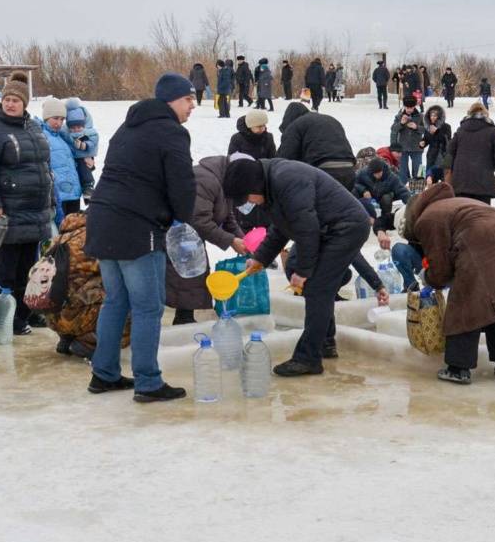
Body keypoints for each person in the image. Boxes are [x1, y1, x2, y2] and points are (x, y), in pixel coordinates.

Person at [84, 73, 196, 403]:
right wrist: (181, 218)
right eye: (187, 99)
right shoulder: (172, 132)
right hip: (136, 227)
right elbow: (182, 183)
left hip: (103, 220)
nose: (192, 106)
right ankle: (147, 381)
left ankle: (104, 374)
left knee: (116, 300)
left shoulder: (128, 126)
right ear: (171, 100)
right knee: (148, 307)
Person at [226, 157, 381, 376]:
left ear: (254, 186)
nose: (249, 202)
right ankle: (325, 342)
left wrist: (302, 272)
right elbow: (281, 229)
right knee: (319, 288)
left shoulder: (287, 180)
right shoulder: (272, 184)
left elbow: (307, 228)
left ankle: (308, 358)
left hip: (346, 228)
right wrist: (260, 257)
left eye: (247, 197)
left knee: (317, 287)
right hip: (329, 228)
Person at [403, 183, 495, 385]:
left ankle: (458, 368)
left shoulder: (427, 219)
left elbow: (441, 268)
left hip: (485, 241)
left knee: (465, 304)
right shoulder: (452, 203)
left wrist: (427, 277)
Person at [0, 72, 55, 335]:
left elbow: (44, 166)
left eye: (15, 100)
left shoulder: (33, 128)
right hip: (8, 212)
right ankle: (9, 318)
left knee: (29, 268)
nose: (10, 104)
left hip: (35, 210)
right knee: (8, 269)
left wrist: (51, 200)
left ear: (25, 104)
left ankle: (26, 312)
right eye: (6, 99)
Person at [168, 155, 246, 325]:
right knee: (187, 272)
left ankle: (184, 315)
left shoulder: (226, 180)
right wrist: (231, 241)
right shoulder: (206, 180)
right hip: (177, 234)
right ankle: (182, 318)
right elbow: (198, 220)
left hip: (189, 236)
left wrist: (242, 239)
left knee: (191, 272)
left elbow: (227, 216)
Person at [47, 212, 107, 360]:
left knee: (69, 287)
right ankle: (87, 344)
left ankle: (67, 338)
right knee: (123, 303)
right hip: (78, 314)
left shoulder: (55, 241)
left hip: (52, 314)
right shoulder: (91, 239)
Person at [276, 101, 357, 189]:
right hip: (349, 169)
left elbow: (286, 158)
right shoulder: (330, 119)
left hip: (323, 171)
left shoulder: (295, 125)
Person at [449, 101, 495, 204]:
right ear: (485, 114)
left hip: (461, 178)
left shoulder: (461, 129)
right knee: (481, 214)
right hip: (483, 179)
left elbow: (451, 149)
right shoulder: (492, 130)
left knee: (463, 213)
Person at [38, 97, 84, 220]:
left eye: (62, 119)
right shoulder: (41, 137)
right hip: (58, 196)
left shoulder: (63, 137)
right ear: (46, 118)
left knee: (72, 233)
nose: (59, 123)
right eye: (55, 118)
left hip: (73, 194)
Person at [353, 157, 408, 231]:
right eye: (375, 174)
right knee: (354, 192)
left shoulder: (391, 177)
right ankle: (360, 217)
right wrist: (363, 190)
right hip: (368, 195)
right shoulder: (363, 173)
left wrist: (410, 204)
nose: (377, 175)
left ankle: (384, 221)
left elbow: (402, 191)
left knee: (387, 198)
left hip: (383, 196)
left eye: (379, 173)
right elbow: (354, 182)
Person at [65, 98, 99, 199]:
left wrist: (85, 145)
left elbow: (93, 142)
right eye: (73, 128)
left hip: (84, 158)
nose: (76, 130)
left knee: (84, 167)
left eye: (79, 127)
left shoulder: (89, 133)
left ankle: (88, 186)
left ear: (84, 125)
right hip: (73, 160)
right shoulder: (67, 135)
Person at [389, 96, 424, 186]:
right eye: (407, 107)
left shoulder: (421, 116)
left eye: (411, 108)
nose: (409, 110)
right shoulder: (399, 116)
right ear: (404, 106)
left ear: (414, 106)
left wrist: (416, 127)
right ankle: (402, 188)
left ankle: (419, 188)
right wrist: (401, 123)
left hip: (417, 147)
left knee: (419, 168)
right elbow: (393, 129)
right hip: (402, 148)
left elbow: (426, 130)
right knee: (402, 170)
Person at [421, 104, 451, 183]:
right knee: (430, 180)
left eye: (435, 116)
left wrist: (437, 132)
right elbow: (426, 139)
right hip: (431, 156)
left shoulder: (446, 127)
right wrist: (422, 143)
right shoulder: (428, 127)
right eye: (431, 115)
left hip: (442, 156)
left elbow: (447, 140)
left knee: (444, 181)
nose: (432, 117)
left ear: (440, 116)